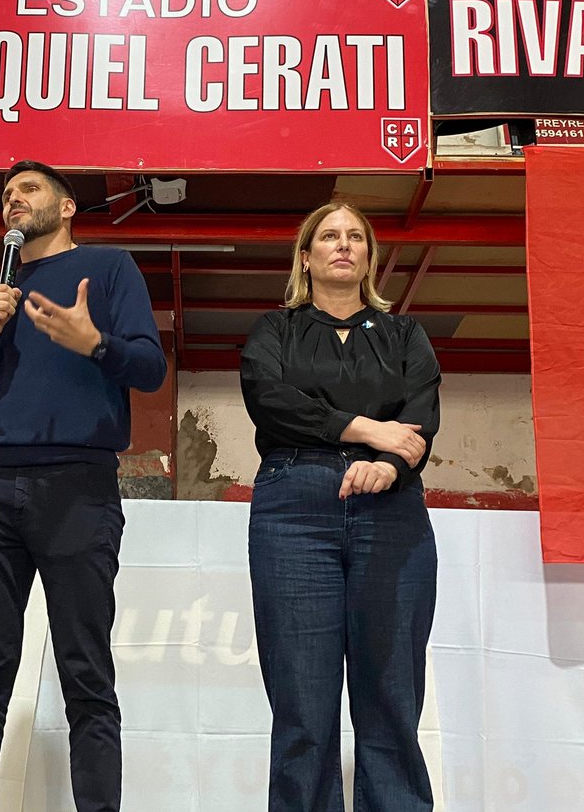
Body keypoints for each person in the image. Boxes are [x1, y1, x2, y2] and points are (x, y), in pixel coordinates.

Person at [0, 160, 167, 812]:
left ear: (67, 206)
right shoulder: (0, 292)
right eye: (6, 195)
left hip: (77, 484)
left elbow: (150, 367)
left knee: (85, 675)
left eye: (28, 189)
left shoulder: (110, 267)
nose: (14, 200)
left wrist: (95, 341)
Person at [240, 202, 441, 812]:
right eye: (329, 236)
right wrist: (368, 430)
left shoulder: (405, 335)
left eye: (356, 237)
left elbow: (421, 417)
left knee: (392, 699)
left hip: (392, 504)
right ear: (307, 255)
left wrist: (389, 464)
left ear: (369, 259)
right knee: (304, 706)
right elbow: (271, 400)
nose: (343, 245)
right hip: (295, 506)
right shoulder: (275, 330)